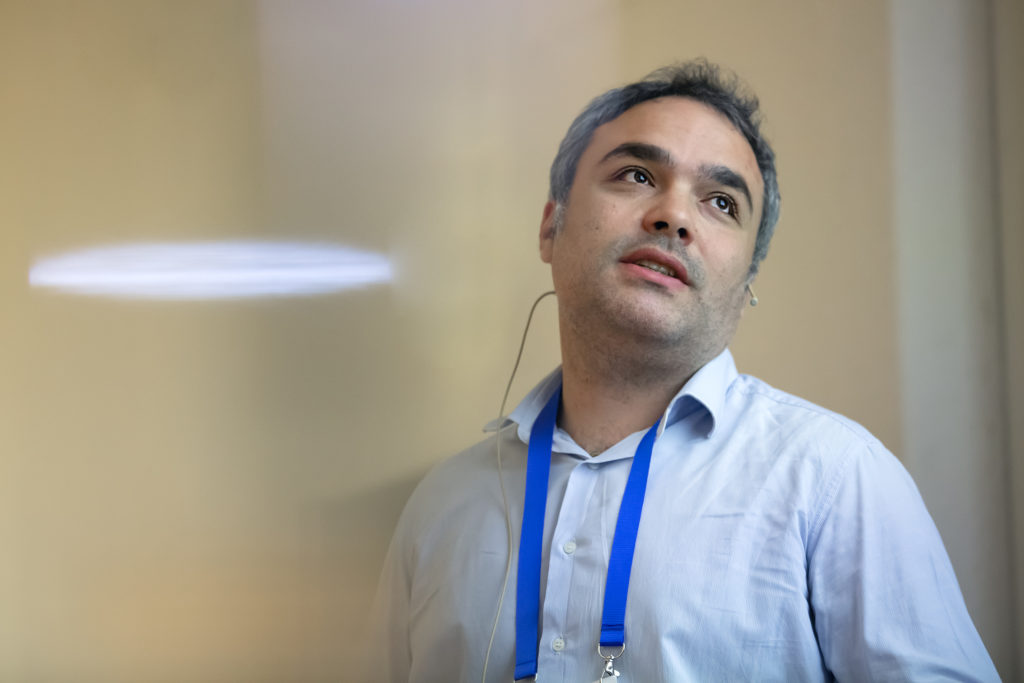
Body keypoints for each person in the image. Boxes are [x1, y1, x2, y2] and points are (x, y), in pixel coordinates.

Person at [368, 61, 999, 682]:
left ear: (747, 283)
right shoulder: (441, 505)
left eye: (721, 202)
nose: (673, 216)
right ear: (550, 227)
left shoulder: (838, 481)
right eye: (637, 175)